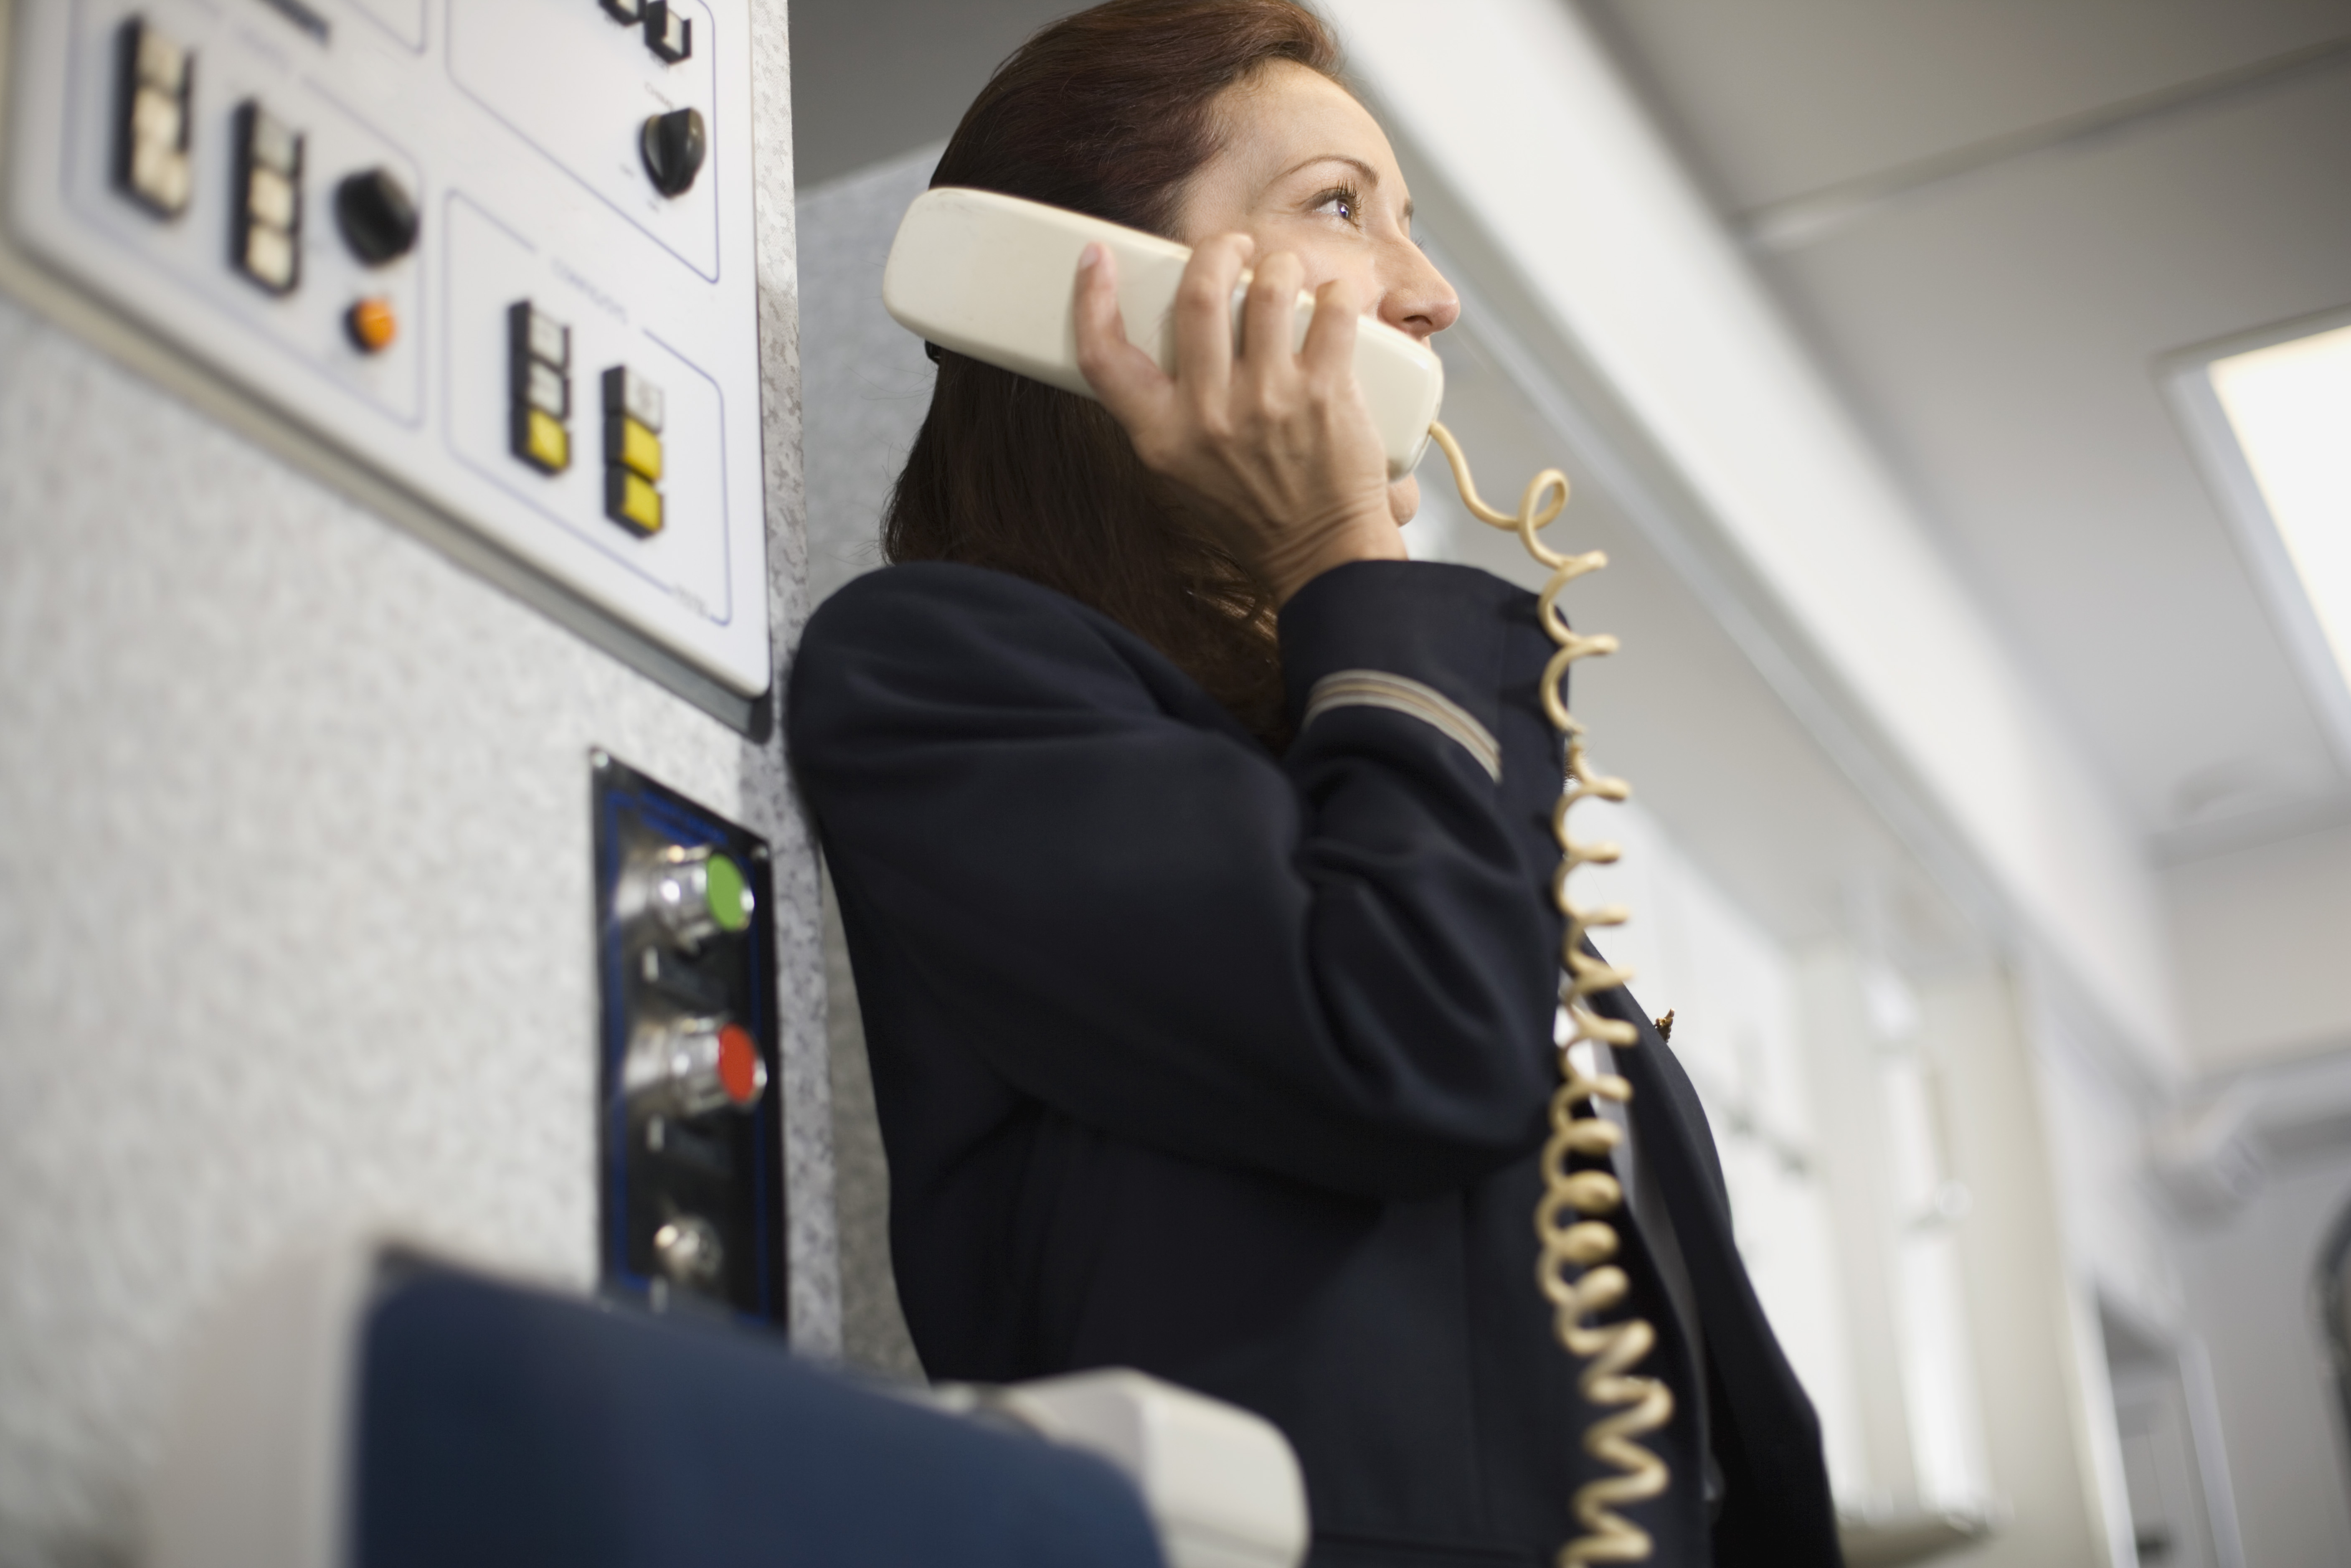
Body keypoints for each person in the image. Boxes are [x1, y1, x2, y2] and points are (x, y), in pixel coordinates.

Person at [788, 3, 1841, 1563]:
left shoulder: (1367, 751)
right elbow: (1408, 1039)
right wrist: (1341, 550)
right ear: (1107, 290)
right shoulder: (933, 675)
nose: (1431, 294)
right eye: (1341, 208)